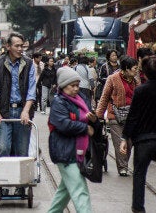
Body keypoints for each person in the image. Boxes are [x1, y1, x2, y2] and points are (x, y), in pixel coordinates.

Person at [120, 55, 156, 213]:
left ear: (144, 73)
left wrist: (125, 137)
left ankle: (138, 208)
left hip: (144, 140)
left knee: (139, 175)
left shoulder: (140, 90)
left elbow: (133, 116)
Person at [47, 67, 96, 213]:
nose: (76, 88)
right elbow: (62, 124)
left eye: (77, 85)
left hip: (77, 150)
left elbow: (88, 116)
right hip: (65, 151)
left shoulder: (81, 98)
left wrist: (93, 120)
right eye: (72, 85)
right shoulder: (58, 102)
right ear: (62, 85)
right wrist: (85, 128)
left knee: (65, 192)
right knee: (80, 191)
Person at [0, 33, 36, 172]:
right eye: (17, 46)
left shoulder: (29, 64)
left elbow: (32, 90)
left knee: (21, 151)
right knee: (3, 147)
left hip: (22, 112)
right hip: (4, 112)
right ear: (8, 46)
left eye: (22, 46)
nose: (20, 49)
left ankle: (21, 184)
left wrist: (26, 111)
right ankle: (2, 181)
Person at [96, 55, 140, 176]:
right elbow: (104, 97)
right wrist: (99, 115)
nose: (136, 71)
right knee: (119, 142)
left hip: (131, 118)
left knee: (129, 143)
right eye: (134, 68)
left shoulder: (136, 81)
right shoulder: (112, 79)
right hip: (115, 116)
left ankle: (124, 163)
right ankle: (123, 167)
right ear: (126, 69)